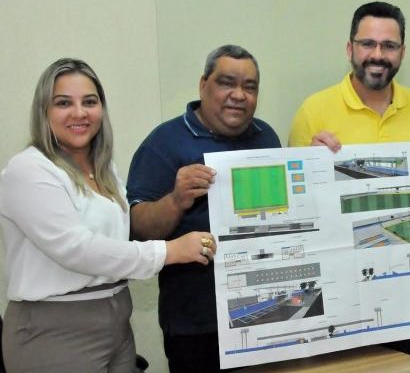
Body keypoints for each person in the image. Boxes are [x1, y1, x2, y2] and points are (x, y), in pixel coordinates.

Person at [0, 58, 217, 373]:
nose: (79, 113)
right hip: (55, 331)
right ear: (43, 111)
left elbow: (120, 237)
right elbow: (77, 249)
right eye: (63, 103)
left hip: (117, 322)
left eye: (90, 102)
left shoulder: (104, 171)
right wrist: (169, 251)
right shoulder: (28, 170)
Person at [288, 1, 410, 360]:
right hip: (340, 291)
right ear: (349, 48)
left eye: (389, 45)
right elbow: (295, 208)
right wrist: (308, 164)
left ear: (402, 52)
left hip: (408, 287)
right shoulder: (313, 110)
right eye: (367, 43)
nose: (378, 55)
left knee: (407, 365)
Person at [126, 45, 281, 372]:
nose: (238, 94)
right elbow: (137, 228)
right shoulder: (164, 142)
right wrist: (175, 200)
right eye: (227, 82)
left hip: (265, 310)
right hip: (195, 325)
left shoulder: (267, 137)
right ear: (203, 85)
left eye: (249, 86)